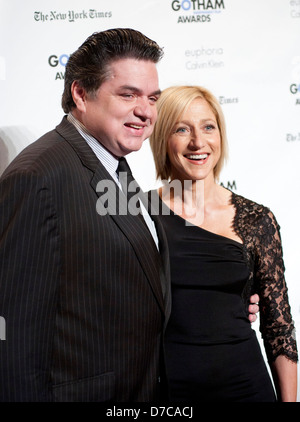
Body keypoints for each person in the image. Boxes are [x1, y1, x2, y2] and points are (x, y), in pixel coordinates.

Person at [0, 29, 259, 402]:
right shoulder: (39, 177)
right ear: (80, 94)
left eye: (152, 98)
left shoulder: (113, 166)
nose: (145, 111)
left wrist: (219, 300)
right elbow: (14, 340)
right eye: (128, 95)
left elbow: (129, 279)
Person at [149, 85, 298, 402]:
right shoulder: (139, 214)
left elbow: (279, 328)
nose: (198, 142)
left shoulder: (257, 220)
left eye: (207, 127)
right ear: (163, 138)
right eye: (181, 129)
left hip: (247, 388)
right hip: (168, 391)